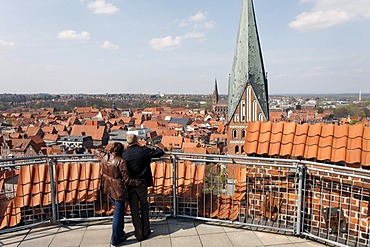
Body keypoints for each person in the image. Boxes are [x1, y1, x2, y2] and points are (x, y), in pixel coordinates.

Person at [95, 142, 142, 247]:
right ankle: (115, 239)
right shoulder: (121, 162)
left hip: (108, 187)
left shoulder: (105, 156)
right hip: (118, 190)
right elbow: (127, 179)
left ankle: (120, 234)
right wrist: (139, 183)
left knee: (119, 212)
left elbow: (96, 151)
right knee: (118, 214)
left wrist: (107, 151)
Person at [122, 134, 165, 241]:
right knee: (144, 205)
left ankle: (139, 233)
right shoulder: (143, 150)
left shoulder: (124, 153)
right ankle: (146, 230)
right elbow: (160, 152)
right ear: (137, 140)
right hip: (142, 183)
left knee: (134, 209)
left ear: (128, 142)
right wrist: (152, 146)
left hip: (130, 184)